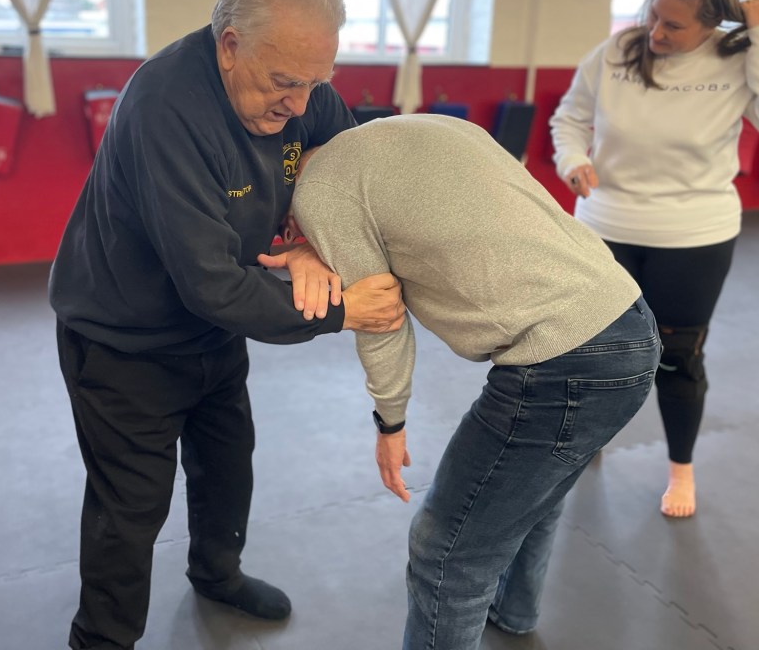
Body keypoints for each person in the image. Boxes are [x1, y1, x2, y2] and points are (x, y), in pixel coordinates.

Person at [48, 0, 406, 650]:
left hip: (213, 333)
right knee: (131, 508)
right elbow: (210, 283)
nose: (300, 105)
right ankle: (101, 642)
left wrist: (309, 240)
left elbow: (348, 170)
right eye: (284, 83)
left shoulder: (301, 87)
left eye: (316, 83)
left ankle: (217, 572)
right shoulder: (164, 109)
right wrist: (343, 310)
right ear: (230, 45)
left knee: (226, 466)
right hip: (124, 340)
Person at [283, 112, 662, 650]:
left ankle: (499, 609)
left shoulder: (319, 193)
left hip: (565, 361)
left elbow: (380, 315)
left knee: (446, 554)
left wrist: (390, 422)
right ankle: (515, 609)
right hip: (629, 321)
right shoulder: (424, 126)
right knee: (530, 489)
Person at [550, 0, 759, 518]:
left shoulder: (739, 59)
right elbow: (569, 117)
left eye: (673, 25)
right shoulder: (618, 51)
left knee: (677, 358)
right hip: (605, 225)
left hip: (694, 234)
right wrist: (571, 159)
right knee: (592, 349)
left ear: (712, 24)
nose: (655, 32)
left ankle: (680, 469)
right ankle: (589, 441)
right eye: (653, 15)